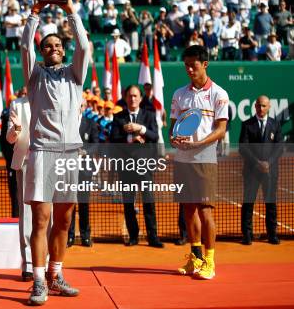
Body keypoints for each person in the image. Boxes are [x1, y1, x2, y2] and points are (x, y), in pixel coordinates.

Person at [21, 0, 91, 305]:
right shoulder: (34, 76)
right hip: (42, 153)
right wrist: (35, 12)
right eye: (48, 46)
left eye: (59, 45)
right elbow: (25, 46)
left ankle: (55, 274)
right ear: (42, 52)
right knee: (41, 219)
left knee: (64, 220)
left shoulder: (75, 76)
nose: (54, 49)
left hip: (70, 155)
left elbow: (85, 45)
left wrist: (70, 10)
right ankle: (37, 281)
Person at [170, 45, 229, 281]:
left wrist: (199, 143)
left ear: (205, 64)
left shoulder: (219, 93)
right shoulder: (178, 94)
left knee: (205, 211)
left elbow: (221, 129)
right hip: (182, 159)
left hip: (205, 159)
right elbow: (172, 128)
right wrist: (174, 138)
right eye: (186, 66)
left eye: (193, 65)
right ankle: (195, 258)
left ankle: (210, 261)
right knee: (188, 209)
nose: (189, 69)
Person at [109, 85, 163, 248]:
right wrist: (130, 139)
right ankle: (133, 236)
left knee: (149, 202)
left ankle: (153, 237)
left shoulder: (149, 115)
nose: (132, 99)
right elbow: (113, 140)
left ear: (140, 98)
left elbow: (154, 136)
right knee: (128, 203)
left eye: (135, 96)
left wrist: (141, 129)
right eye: (130, 96)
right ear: (125, 98)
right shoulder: (119, 117)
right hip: (126, 168)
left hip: (145, 167)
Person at [239, 95, 283, 245]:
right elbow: (243, 148)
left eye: (264, 106)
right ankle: (247, 235)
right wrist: (258, 163)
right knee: (248, 203)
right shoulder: (247, 124)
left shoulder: (275, 125)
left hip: (270, 172)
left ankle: (272, 234)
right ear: (255, 106)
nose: (261, 108)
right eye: (258, 105)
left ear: (269, 107)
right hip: (252, 171)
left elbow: (279, 147)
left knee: (270, 203)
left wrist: (268, 163)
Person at [6, 95, 35, 282]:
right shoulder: (17, 104)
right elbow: (9, 138)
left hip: (49, 162)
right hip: (25, 161)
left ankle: (47, 260)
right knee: (26, 212)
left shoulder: (54, 99)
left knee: (47, 211)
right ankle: (29, 264)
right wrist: (16, 129)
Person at [67, 102, 99, 248]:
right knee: (69, 204)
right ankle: (69, 236)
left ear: (84, 107)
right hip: (68, 169)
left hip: (85, 169)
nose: (77, 107)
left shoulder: (91, 123)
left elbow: (96, 144)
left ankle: (86, 236)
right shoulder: (66, 123)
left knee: (84, 203)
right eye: (76, 104)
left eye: (80, 105)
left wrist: (85, 152)